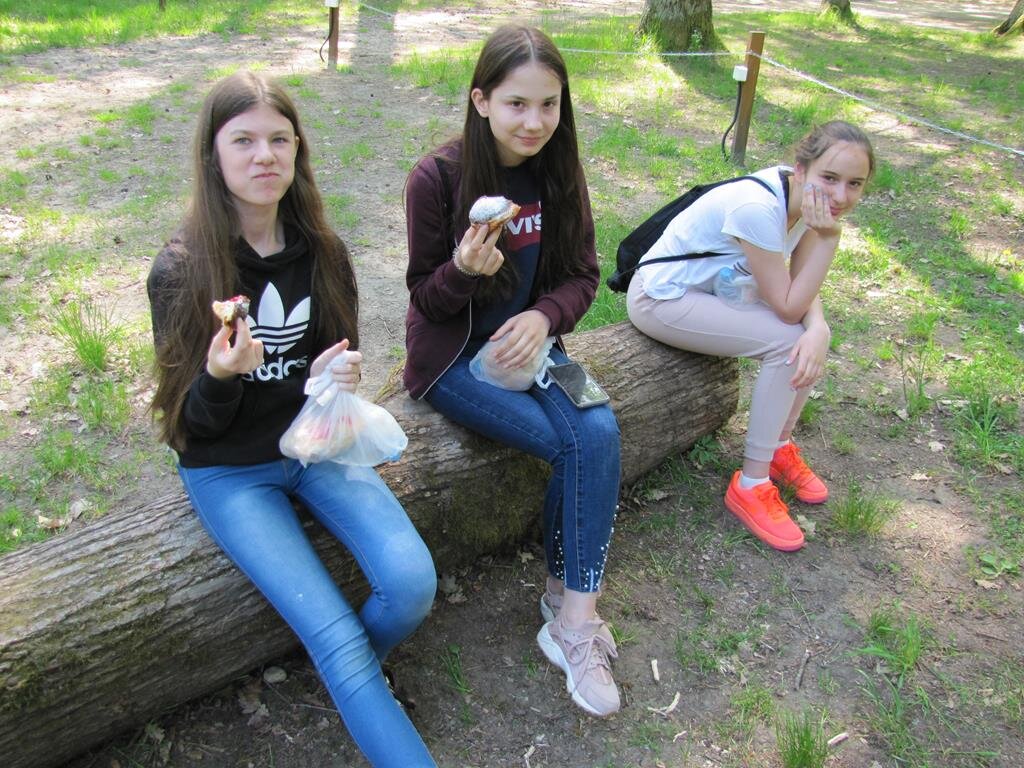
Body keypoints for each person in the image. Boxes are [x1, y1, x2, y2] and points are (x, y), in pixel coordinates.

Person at [147, 72, 437, 768]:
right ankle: (351, 671)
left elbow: (333, 364)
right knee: (337, 640)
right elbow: (188, 429)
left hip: (316, 445)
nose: (264, 156)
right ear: (213, 155)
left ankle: (352, 675)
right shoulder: (183, 271)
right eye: (243, 141)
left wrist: (337, 376)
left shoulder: (324, 253)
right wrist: (221, 376)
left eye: (279, 139)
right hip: (230, 471)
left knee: (411, 583)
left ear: (298, 149)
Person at [403, 25, 622, 717]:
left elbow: (582, 275)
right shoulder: (437, 179)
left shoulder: (557, 173)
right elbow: (425, 300)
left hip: (534, 346)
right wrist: (463, 271)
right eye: (516, 104)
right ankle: (572, 614)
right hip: (452, 360)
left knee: (599, 430)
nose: (534, 122)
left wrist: (544, 317)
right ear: (481, 101)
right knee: (569, 445)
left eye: (548, 104)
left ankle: (571, 613)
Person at [627, 121, 874, 553]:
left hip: (711, 291)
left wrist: (820, 327)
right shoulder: (759, 208)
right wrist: (829, 240)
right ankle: (751, 483)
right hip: (661, 297)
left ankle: (778, 446)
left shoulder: (805, 202)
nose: (840, 196)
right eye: (830, 178)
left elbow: (800, 285)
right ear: (801, 169)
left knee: (806, 335)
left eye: (855, 184)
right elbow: (789, 305)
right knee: (787, 341)